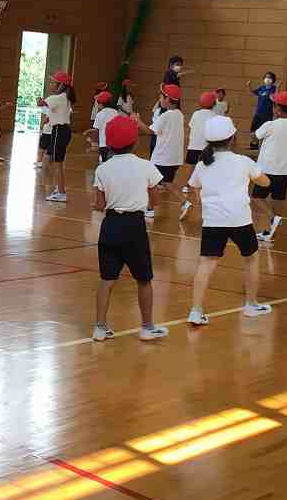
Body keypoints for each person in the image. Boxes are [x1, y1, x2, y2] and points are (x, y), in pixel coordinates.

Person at [186, 116, 272, 325]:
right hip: (240, 220)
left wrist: (201, 198)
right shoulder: (243, 162)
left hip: (213, 221)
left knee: (206, 264)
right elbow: (265, 181)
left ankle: (196, 311)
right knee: (251, 258)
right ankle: (251, 305)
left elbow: (193, 186)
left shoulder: (202, 164)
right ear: (232, 138)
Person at [91, 116, 169, 342]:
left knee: (107, 279)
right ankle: (147, 327)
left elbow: (99, 204)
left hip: (110, 225)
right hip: (134, 226)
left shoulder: (103, 169)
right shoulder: (146, 166)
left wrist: (98, 205)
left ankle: (99, 327)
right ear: (135, 141)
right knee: (144, 279)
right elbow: (155, 201)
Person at [133, 84, 191, 220]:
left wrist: (137, 121)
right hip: (174, 158)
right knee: (167, 183)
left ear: (167, 99)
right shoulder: (179, 114)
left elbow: (150, 131)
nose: (159, 99)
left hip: (162, 157)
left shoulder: (166, 116)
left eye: (161, 96)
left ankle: (150, 209)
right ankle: (184, 202)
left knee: (151, 182)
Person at [253, 90, 287, 244]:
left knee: (257, 197)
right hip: (286, 170)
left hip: (267, 169)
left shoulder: (270, 124)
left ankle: (274, 219)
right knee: (278, 199)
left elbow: (256, 135)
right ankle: (271, 231)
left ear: (277, 109)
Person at [39, 70, 75, 202]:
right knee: (57, 162)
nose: (51, 84)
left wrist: (40, 102)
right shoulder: (65, 97)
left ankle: (61, 193)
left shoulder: (57, 98)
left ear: (60, 85)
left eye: (54, 82)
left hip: (59, 131)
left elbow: (42, 104)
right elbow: (49, 109)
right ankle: (60, 190)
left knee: (57, 164)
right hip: (63, 131)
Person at [248, 71, 279, 149]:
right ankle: (254, 144)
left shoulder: (274, 88)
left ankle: (262, 146)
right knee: (253, 129)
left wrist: (277, 89)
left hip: (267, 114)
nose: (267, 79)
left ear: (273, 80)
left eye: (269, 78)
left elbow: (275, 98)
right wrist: (249, 86)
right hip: (258, 113)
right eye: (266, 77)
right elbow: (254, 92)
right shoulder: (261, 88)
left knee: (265, 131)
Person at [85, 90, 118, 163]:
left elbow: (96, 131)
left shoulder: (100, 114)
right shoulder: (115, 112)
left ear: (100, 103)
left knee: (103, 165)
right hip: (115, 145)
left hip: (104, 145)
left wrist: (93, 143)